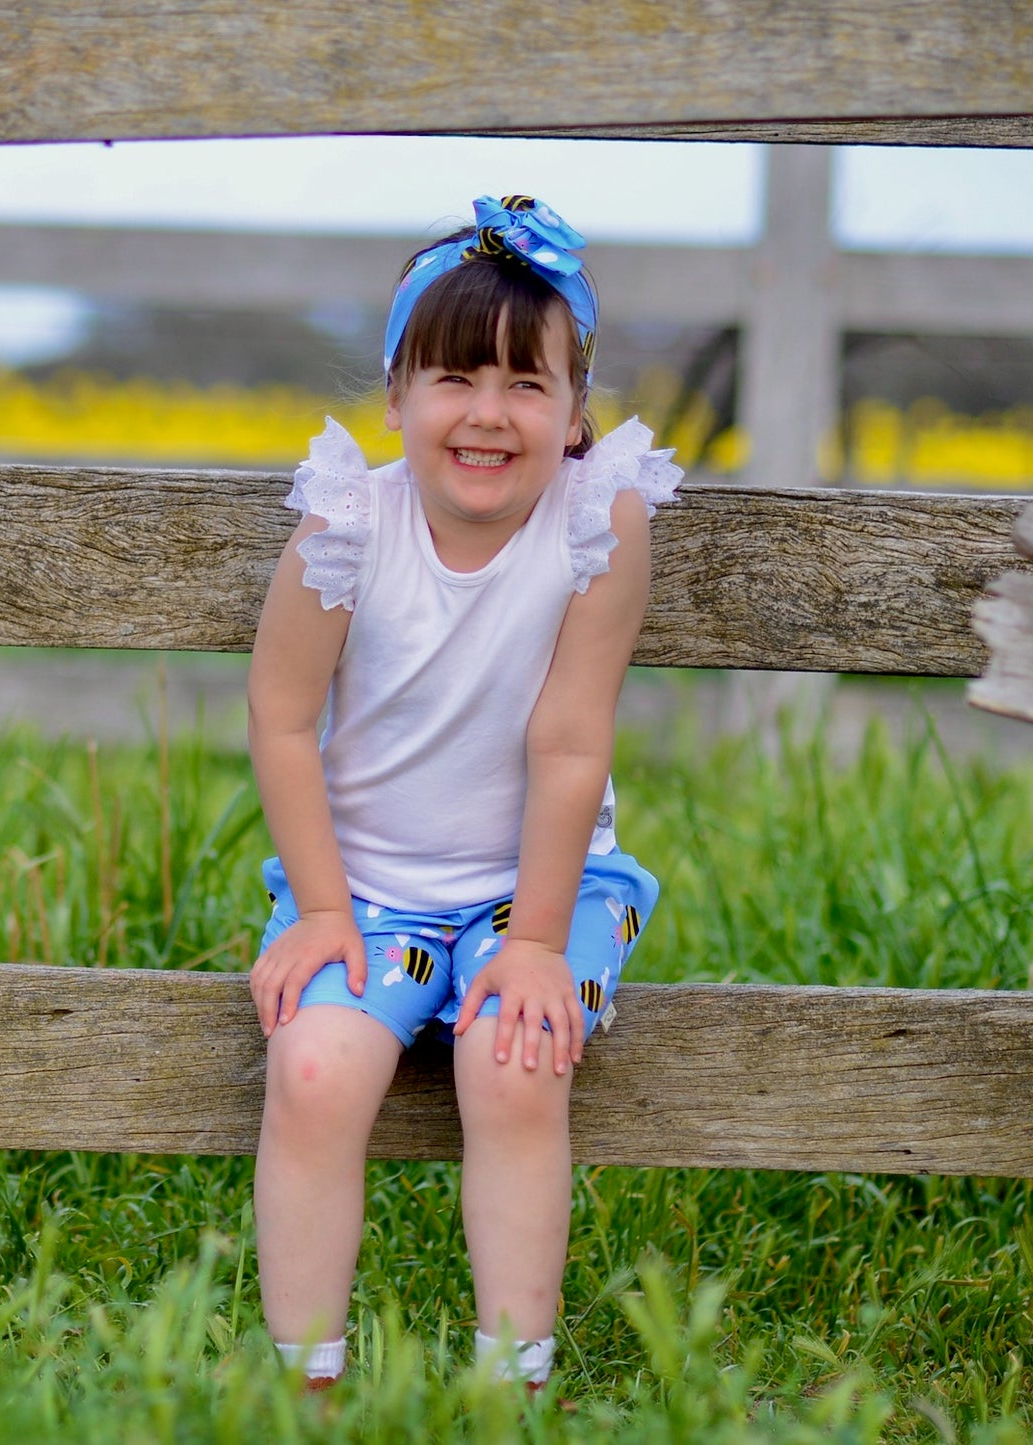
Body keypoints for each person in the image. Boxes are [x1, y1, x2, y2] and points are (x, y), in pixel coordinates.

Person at [246, 194, 681, 1392]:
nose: (487, 413)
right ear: (395, 396)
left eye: (527, 385)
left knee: (514, 1055)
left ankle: (510, 1379)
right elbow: (282, 720)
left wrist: (537, 940)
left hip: (539, 890)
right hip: (366, 891)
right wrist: (326, 914)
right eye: (451, 378)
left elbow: (567, 737)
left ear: (576, 411)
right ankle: (305, 1385)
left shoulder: (599, 522)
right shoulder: (347, 523)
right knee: (317, 1068)